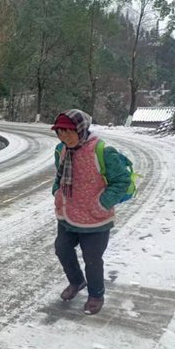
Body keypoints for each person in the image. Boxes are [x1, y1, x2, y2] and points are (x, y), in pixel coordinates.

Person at [51, 109, 131, 315]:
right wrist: (57, 193)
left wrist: (101, 204)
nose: (64, 137)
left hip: (95, 219)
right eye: (60, 132)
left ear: (81, 129)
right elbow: (59, 176)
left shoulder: (102, 151)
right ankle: (77, 281)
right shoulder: (61, 150)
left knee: (92, 259)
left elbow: (122, 181)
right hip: (68, 214)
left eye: (69, 132)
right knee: (62, 249)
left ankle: (96, 295)